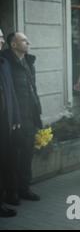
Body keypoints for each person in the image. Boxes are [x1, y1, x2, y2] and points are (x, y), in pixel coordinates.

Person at [1, 32, 43, 204]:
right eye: (24, 40)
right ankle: (11, 193)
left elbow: (32, 88)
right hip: (13, 119)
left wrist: (37, 112)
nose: (28, 42)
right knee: (13, 157)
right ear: (14, 44)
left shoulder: (28, 62)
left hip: (30, 116)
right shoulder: (6, 63)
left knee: (27, 154)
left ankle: (24, 188)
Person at [0, 55, 21, 217]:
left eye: (1, 37)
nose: (1, 40)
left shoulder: (4, 61)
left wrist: (15, 117)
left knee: (5, 161)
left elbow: (11, 91)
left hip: (4, 122)